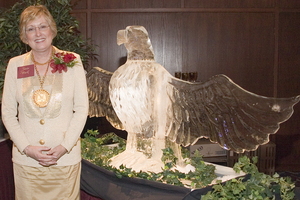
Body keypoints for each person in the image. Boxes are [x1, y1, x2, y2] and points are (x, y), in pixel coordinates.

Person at [1, 5, 89, 200]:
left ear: (52, 29)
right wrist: (27, 148)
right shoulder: (15, 65)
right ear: (24, 36)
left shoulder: (72, 61)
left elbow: (82, 110)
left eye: (42, 26)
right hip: (27, 163)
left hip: (65, 161)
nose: (38, 33)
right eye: (30, 29)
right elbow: (7, 113)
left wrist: (65, 146)